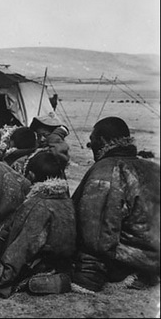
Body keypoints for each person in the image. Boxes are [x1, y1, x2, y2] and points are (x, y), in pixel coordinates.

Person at [71, 116, 160, 294]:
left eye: (92, 140)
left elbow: (95, 234)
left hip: (127, 262)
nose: (90, 146)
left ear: (102, 140)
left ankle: (91, 277)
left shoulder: (106, 170)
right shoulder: (154, 168)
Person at [0, 150, 76, 298]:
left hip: (38, 264)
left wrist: (0, 273)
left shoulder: (37, 205)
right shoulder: (66, 201)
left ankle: (37, 278)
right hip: (61, 262)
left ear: (31, 176)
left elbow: (24, 245)